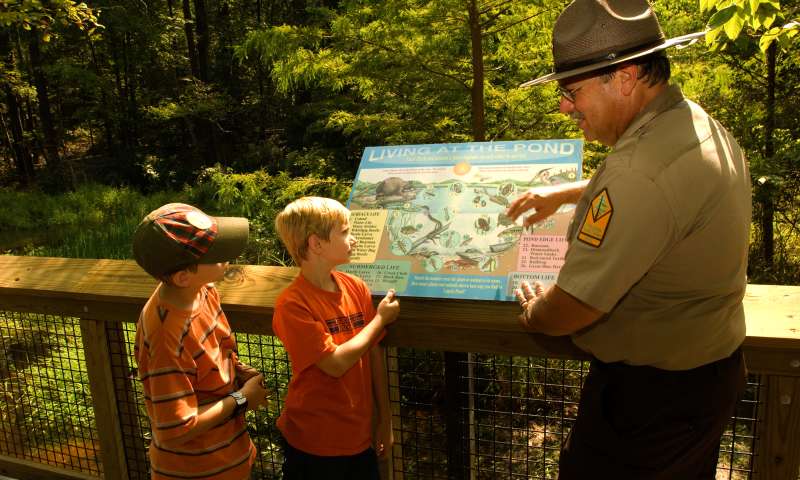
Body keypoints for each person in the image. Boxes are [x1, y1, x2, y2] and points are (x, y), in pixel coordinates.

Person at [507, 0, 752, 478]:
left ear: (624, 78)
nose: (564, 106)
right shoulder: (691, 124)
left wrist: (535, 312)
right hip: (706, 378)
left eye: (571, 91)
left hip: (647, 404)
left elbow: (576, 305)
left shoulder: (637, 171)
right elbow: (665, 195)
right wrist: (567, 193)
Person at [132, 203, 268, 480]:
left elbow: (214, 354)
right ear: (183, 276)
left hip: (230, 458)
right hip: (195, 472)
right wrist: (242, 399)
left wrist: (238, 372)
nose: (228, 256)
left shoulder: (204, 291)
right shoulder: (166, 336)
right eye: (217, 254)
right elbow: (175, 429)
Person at [272, 196, 400, 480]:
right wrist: (381, 319)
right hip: (313, 442)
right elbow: (334, 364)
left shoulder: (356, 287)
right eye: (344, 232)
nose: (353, 239)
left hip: (359, 436)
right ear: (316, 244)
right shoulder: (293, 304)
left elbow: (373, 352)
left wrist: (385, 419)